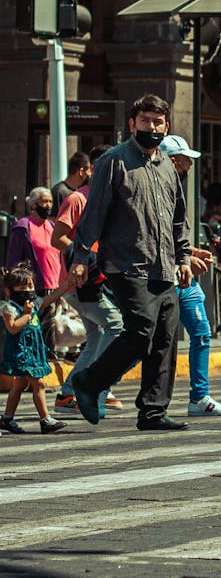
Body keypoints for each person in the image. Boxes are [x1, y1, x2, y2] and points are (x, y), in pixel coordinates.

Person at [70, 94, 193, 431]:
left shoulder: (167, 165)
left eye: (157, 122)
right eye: (144, 121)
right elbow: (94, 213)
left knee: (165, 339)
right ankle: (89, 381)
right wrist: (81, 257)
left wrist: (183, 257)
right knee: (141, 333)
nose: (151, 127)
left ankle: (153, 412)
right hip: (126, 264)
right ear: (132, 124)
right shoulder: (114, 161)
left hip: (164, 265)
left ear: (167, 126)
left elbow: (178, 218)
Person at [160, 134, 221, 417]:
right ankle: (94, 388)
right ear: (172, 161)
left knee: (201, 333)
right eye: (185, 160)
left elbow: (172, 235)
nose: (189, 166)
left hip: (184, 275)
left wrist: (191, 252)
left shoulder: (177, 189)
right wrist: (186, 256)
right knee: (141, 340)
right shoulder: (156, 188)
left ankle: (200, 397)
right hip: (163, 275)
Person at [51, 144, 126, 417]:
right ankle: (95, 387)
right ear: (92, 169)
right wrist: (84, 260)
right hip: (80, 282)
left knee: (94, 339)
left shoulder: (107, 200)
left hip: (98, 282)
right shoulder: (77, 200)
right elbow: (56, 238)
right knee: (116, 327)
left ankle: (68, 393)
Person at [0, 262, 68, 434]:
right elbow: (13, 328)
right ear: (10, 290)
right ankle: (45, 420)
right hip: (22, 353)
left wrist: (68, 284)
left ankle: (7, 418)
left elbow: (51, 298)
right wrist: (26, 314)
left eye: (30, 285)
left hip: (34, 352)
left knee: (20, 385)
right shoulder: (9, 308)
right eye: (22, 286)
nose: (28, 290)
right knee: (39, 384)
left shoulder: (34, 304)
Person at [5, 186, 62, 356]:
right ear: (33, 205)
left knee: (51, 329)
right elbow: (14, 260)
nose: (48, 205)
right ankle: (36, 364)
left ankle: (47, 361)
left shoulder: (52, 226)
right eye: (44, 201)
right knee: (35, 329)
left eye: (50, 201)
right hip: (34, 287)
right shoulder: (23, 227)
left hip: (55, 285)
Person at [50, 151, 90, 216]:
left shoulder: (80, 192)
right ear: (81, 172)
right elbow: (53, 219)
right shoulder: (58, 192)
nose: (89, 175)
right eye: (89, 171)